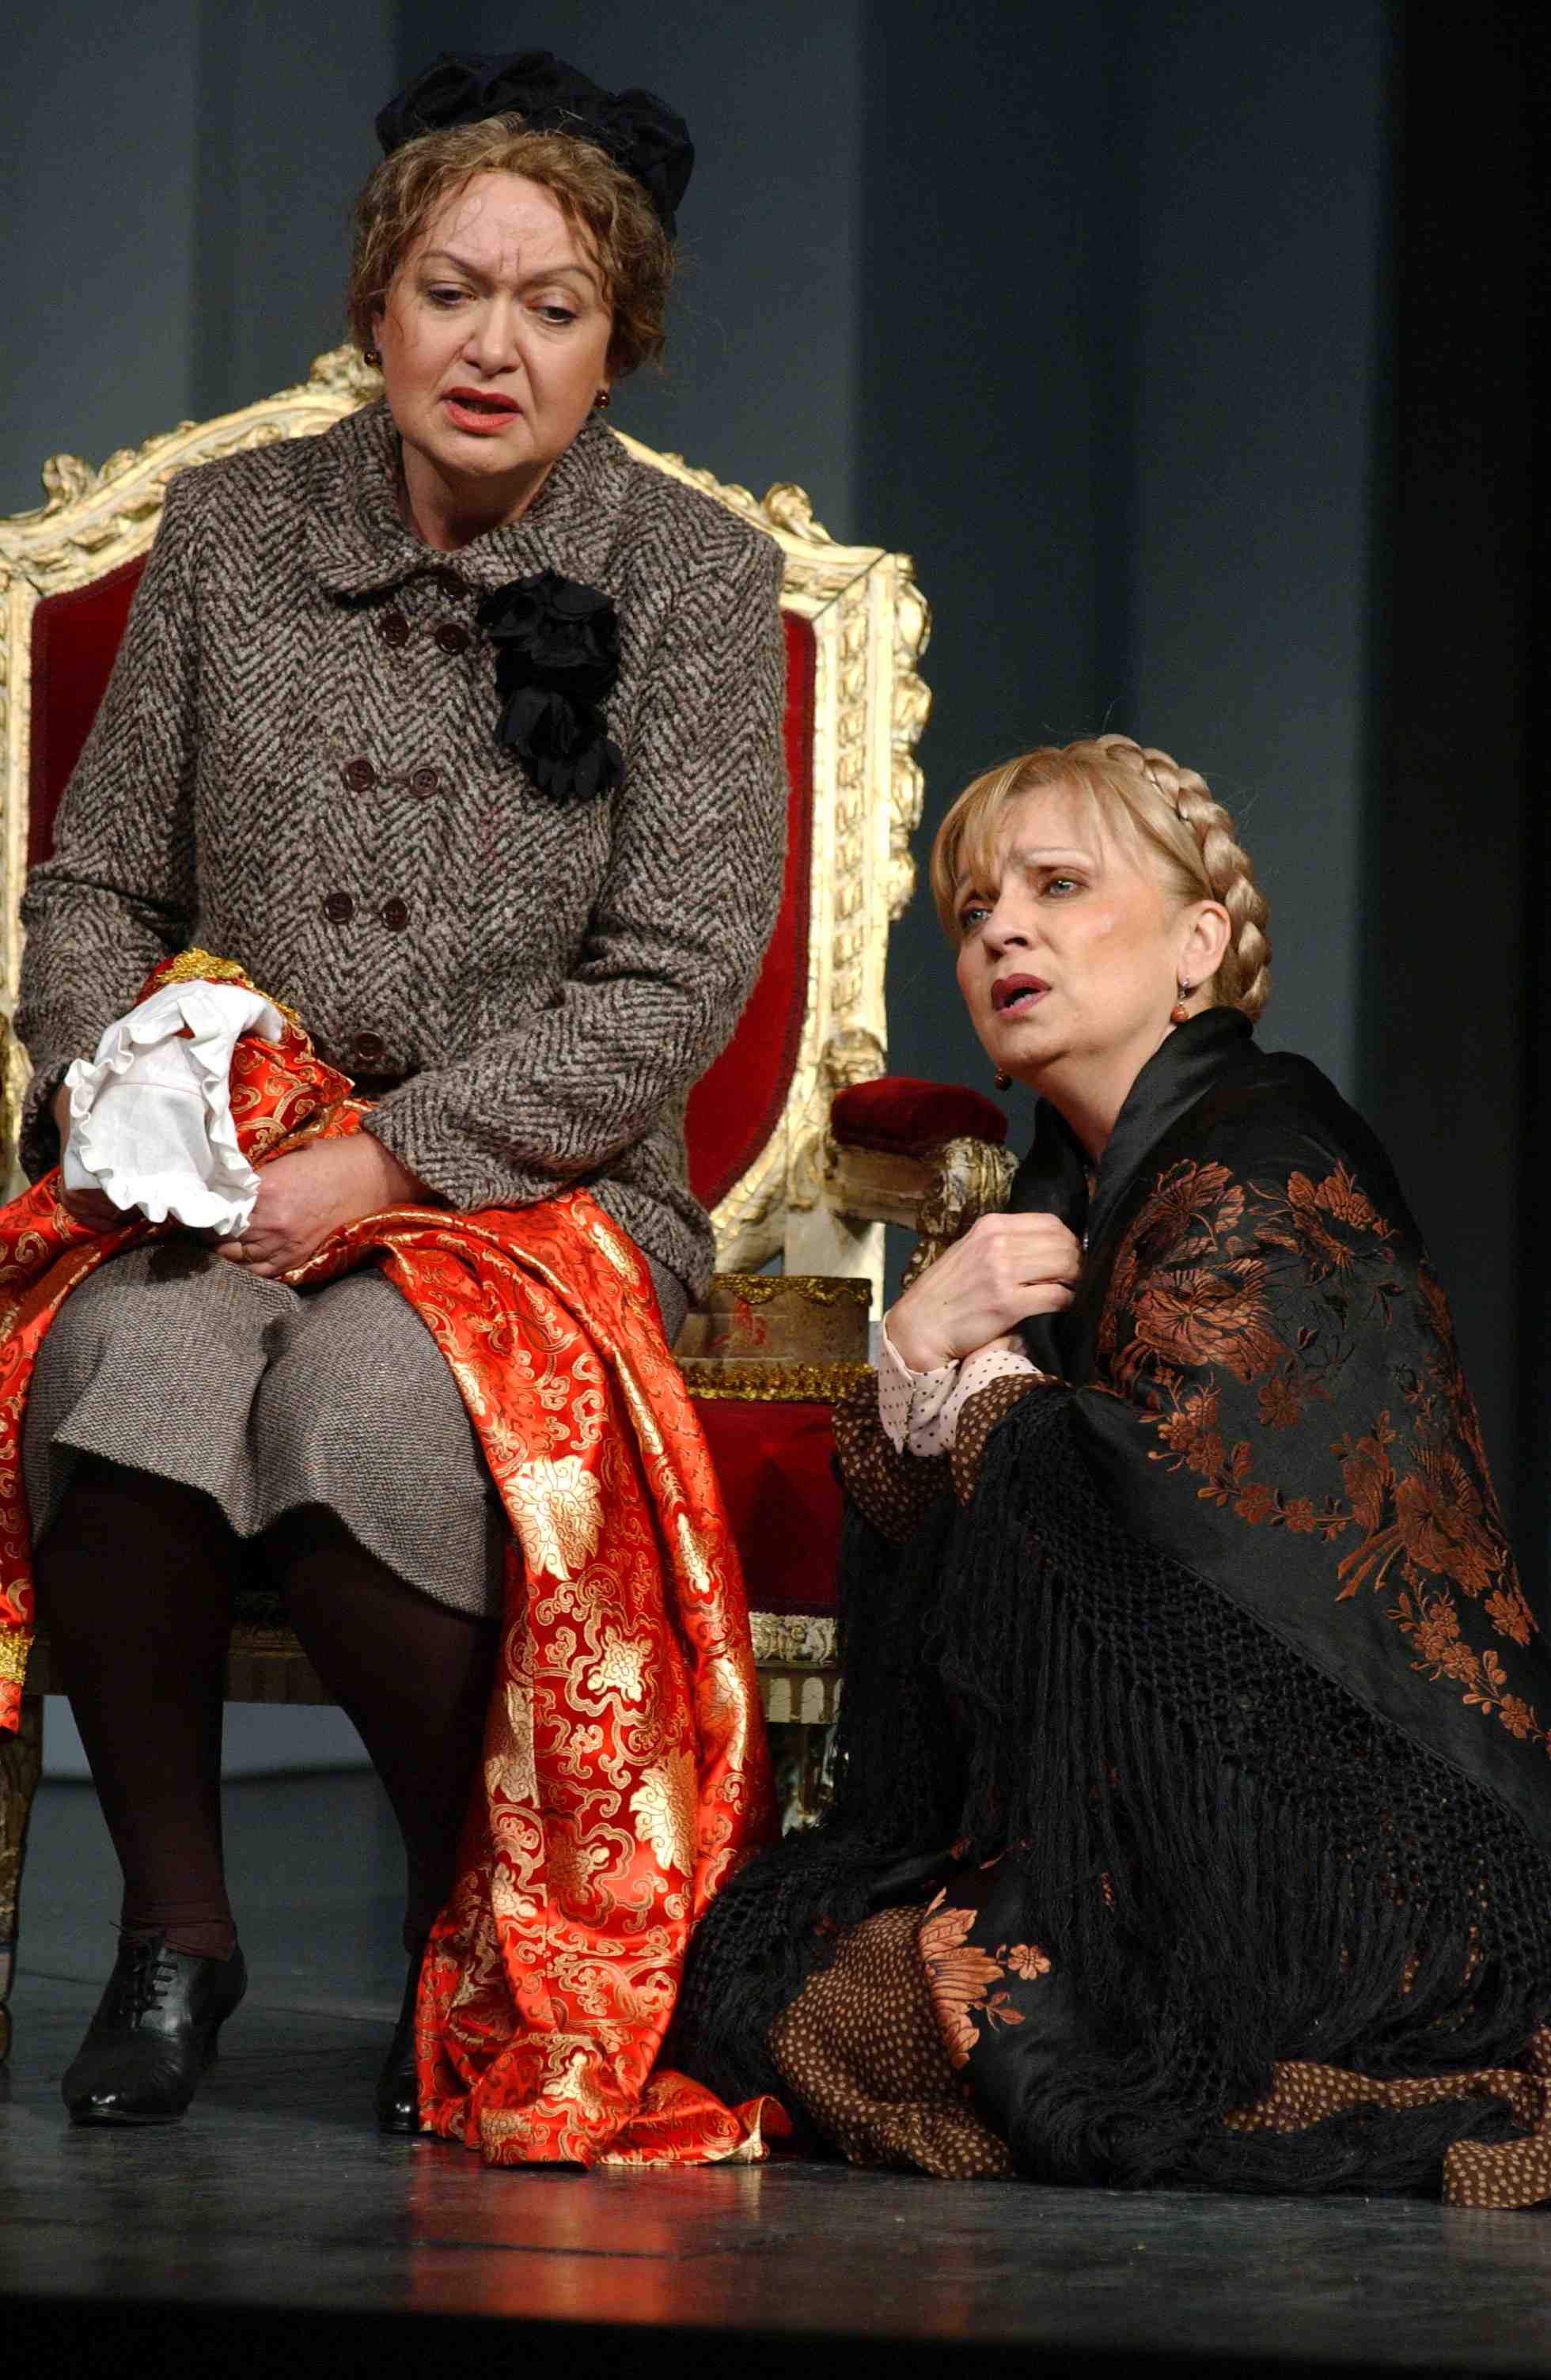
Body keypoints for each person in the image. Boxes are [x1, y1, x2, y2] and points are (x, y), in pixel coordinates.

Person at [9, 50, 785, 2151]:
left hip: (537, 1184)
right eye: (452, 292)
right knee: (131, 1371)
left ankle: (474, 1931)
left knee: (364, 1406)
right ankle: (177, 1933)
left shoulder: (695, 581)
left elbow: (673, 976)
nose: (492, 345)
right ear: (378, 307)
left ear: (617, 340)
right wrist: (129, 1097)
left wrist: (393, 1159)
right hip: (229, 1160)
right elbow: (96, 884)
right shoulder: (235, 530)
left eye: (552, 305)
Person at [673, 733, 1551, 2208]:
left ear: (1197, 947)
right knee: (777, 1979)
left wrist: (978, 1387)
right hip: (1162, 1810)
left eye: (1060, 887)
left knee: (898, 2019)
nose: (1002, 932)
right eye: (975, 910)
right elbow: (979, 1557)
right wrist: (916, 1349)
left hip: (1344, 1840)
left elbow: (1182, 1540)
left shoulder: (1267, 1164)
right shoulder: (1064, 1190)